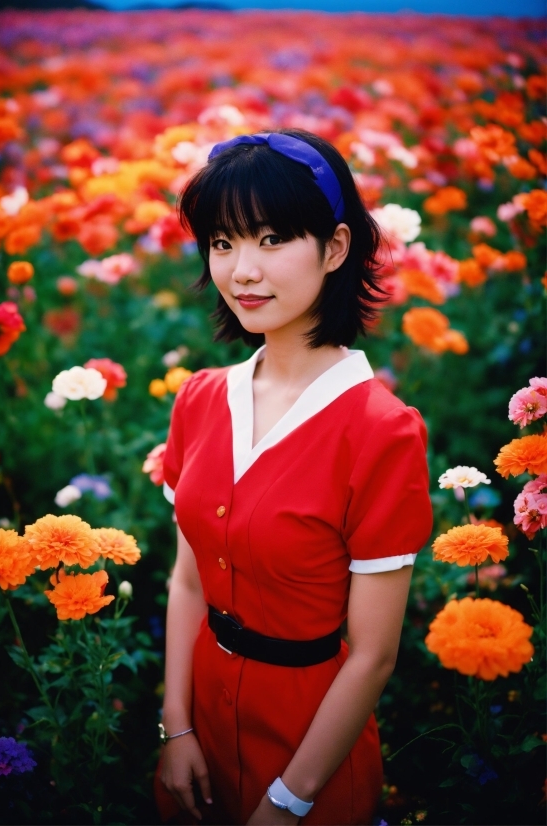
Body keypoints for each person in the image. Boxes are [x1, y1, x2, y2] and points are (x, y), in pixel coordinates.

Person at [154, 128, 433, 826]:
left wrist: (288, 801)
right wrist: (176, 728)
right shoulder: (199, 398)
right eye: (223, 242)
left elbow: (373, 655)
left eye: (272, 238)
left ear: (336, 248)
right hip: (199, 742)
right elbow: (188, 580)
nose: (242, 269)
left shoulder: (381, 429)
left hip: (312, 751)